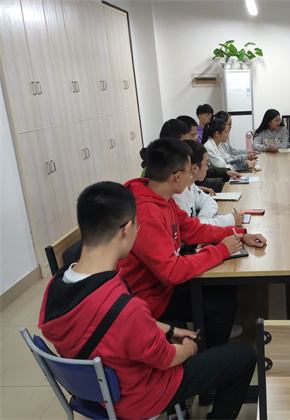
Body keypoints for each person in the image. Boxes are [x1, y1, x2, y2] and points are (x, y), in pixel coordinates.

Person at [38, 181, 257, 419]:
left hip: (95, 391)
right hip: (139, 396)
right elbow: (165, 358)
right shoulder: (125, 305)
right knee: (243, 356)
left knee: (185, 327)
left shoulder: (56, 286)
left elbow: (112, 325)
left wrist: (170, 329)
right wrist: (189, 349)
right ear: (126, 229)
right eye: (137, 225)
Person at [118, 139, 267, 348]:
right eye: (189, 173)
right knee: (223, 305)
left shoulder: (162, 197)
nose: (191, 178)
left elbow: (192, 228)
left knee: (225, 287)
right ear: (177, 176)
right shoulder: (147, 214)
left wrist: (240, 235)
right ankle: (210, 357)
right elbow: (172, 272)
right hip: (149, 297)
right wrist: (221, 250)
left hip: (162, 285)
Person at [174, 140, 243, 228]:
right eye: (206, 164)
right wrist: (229, 220)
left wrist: (202, 220)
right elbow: (190, 229)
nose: (207, 168)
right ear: (194, 168)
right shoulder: (177, 194)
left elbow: (209, 201)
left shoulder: (191, 185)